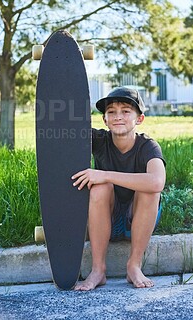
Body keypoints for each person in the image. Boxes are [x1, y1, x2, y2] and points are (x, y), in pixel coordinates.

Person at [72, 86, 166, 291]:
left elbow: (158, 182)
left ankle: (134, 265)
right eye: (111, 112)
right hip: (106, 217)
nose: (118, 117)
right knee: (99, 188)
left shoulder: (148, 146)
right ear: (105, 120)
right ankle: (98, 270)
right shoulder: (98, 140)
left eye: (125, 111)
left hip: (136, 221)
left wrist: (104, 174)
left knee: (149, 189)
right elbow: (66, 135)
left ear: (139, 119)